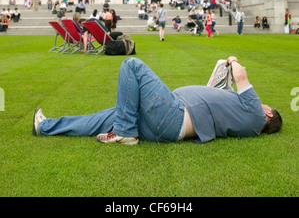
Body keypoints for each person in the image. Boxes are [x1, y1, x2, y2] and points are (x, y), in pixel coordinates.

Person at [33, 56, 283, 145]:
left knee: (132, 66)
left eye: (266, 106)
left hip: (173, 115)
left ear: (268, 115)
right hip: (166, 126)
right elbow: (212, 99)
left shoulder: (256, 114)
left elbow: (241, 75)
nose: (263, 103)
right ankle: (46, 127)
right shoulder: (247, 123)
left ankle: (126, 133)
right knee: (108, 117)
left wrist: (232, 58)